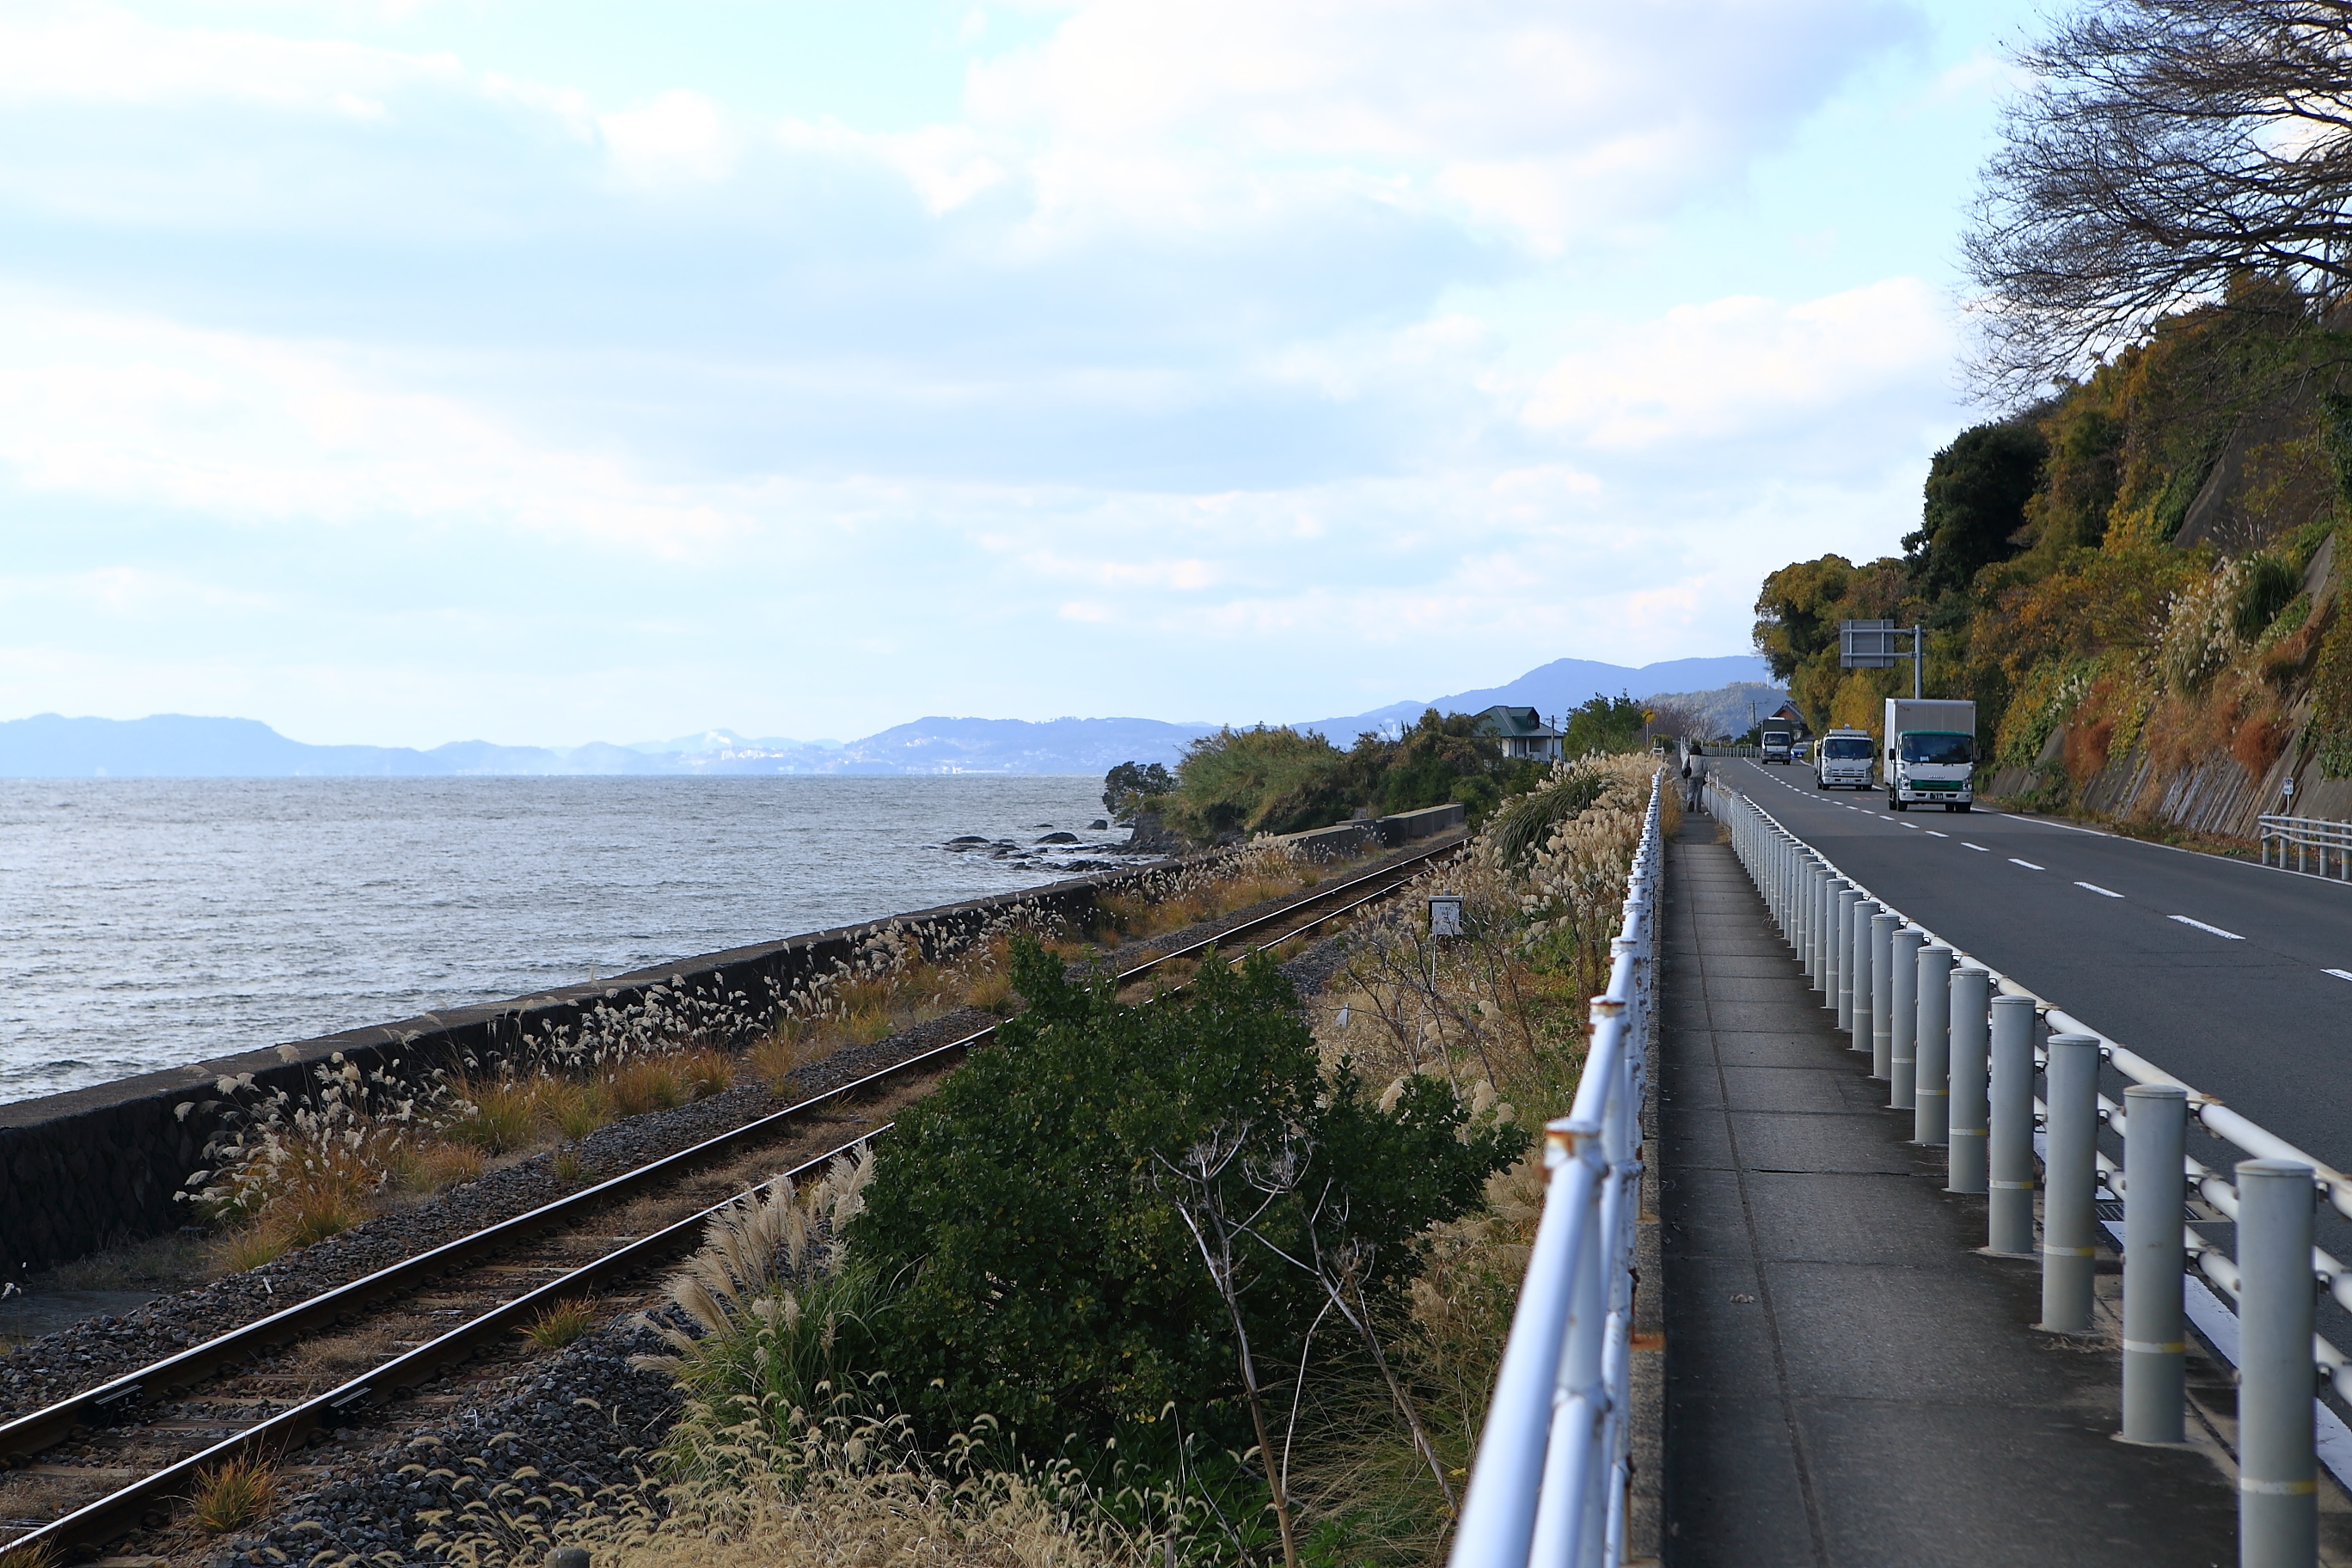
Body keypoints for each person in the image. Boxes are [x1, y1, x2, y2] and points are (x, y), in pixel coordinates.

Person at [1683, 742, 1708, 812]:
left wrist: (1686, 773)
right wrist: (1703, 773)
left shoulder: (1689, 757)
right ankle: (1698, 808)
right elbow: (1705, 768)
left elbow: (1684, 766)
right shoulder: (1702, 758)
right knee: (1698, 792)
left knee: (1690, 791)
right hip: (1700, 777)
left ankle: (1690, 801)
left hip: (1690, 776)